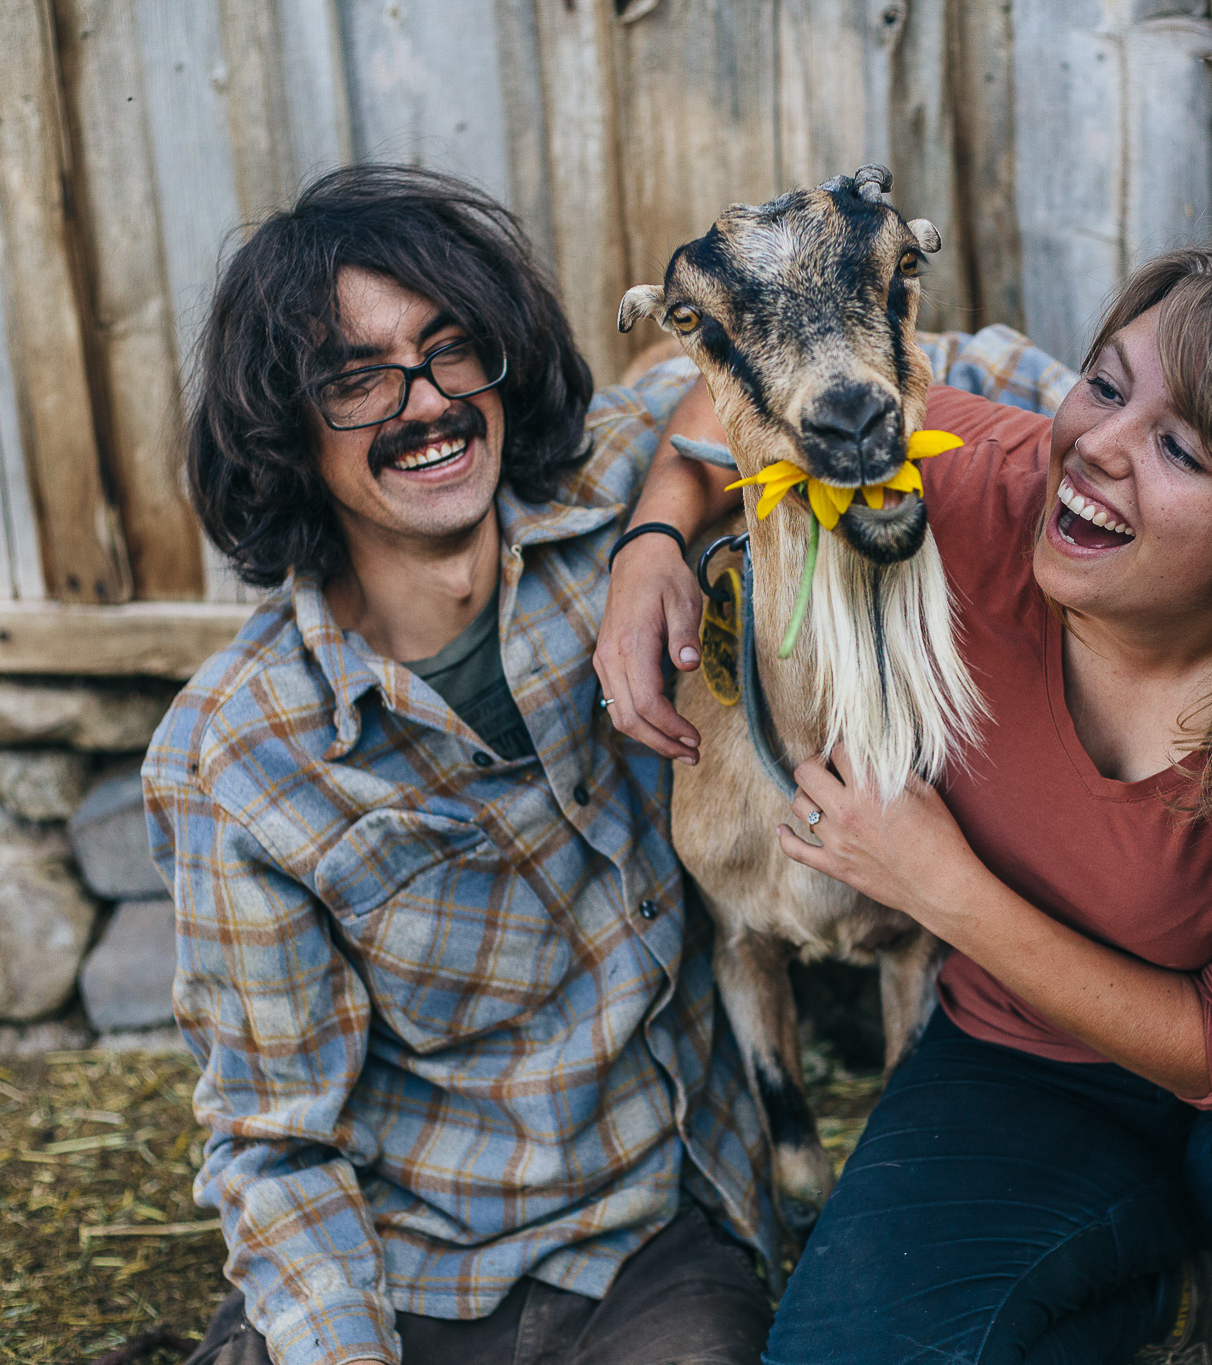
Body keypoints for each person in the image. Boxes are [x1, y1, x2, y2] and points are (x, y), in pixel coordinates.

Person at [597, 241, 1212, 1365]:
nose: (1092, 445)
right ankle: (1119, 1291)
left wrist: (938, 887)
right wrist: (650, 542)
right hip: (1032, 1072)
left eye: (1179, 448)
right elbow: (741, 396)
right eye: (1102, 384)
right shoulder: (982, 493)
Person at [141, 165, 784, 1365]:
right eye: (357, 380)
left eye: (449, 351)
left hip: (647, 1246)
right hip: (409, 1276)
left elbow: (793, 352)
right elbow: (275, 1142)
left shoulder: (606, 500)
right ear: (286, 428)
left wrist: (657, 533)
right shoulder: (236, 757)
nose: (426, 403)